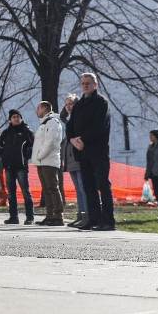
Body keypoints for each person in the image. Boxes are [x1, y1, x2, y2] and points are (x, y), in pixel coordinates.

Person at [67, 72, 115, 231]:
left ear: (95, 85)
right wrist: (72, 139)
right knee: (88, 187)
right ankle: (93, 219)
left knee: (102, 185)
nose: (85, 85)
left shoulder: (101, 102)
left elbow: (100, 126)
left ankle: (108, 221)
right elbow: (70, 125)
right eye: (83, 83)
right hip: (81, 152)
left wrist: (83, 140)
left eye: (88, 83)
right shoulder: (79, 104)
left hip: (98, 151)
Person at [0, 110, 35, 225]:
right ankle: (13, 217)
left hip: (21, 166)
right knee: (11, 193)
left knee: (25, 192)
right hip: (8, 167)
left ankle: (30, 217)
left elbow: (32, 146)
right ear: (10, 120)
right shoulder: (6, 132)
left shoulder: (26, 131)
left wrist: (26, 156)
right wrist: (3, 157)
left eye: (18, 117)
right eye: (13, 117)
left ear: (21, 118)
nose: (16, 119)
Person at [32, 101, 64, 226]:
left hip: (49, 161)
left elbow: (50, 142)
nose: (36, 111)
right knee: (46, 189)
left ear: (45, 108)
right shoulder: (44, 123)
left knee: (52, 188)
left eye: (38, 108)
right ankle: (50, 215)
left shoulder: (52, 122)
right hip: (42, 161)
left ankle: (58, 216)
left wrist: (40, 156)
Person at [60, 94, 87, 227]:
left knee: (83, 188)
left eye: (71, 103)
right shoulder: (67, 120)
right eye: (67, 104)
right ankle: (81, 215)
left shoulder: (81, 118)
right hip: (70, 159)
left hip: (79, 158)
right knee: (78, 189)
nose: (69, 106)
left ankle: (87, 215)